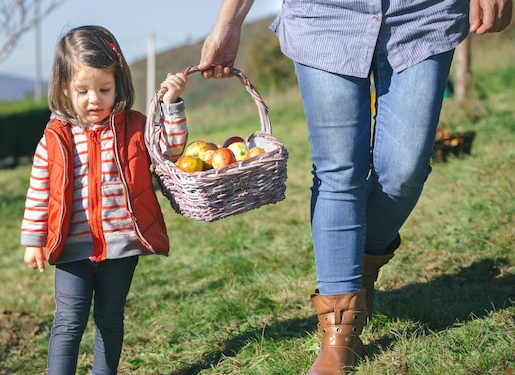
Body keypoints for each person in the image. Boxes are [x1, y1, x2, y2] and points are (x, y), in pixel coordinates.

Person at [198, 1, 512, 374]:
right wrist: (228, 21)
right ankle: (339, 334)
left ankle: (360, 262)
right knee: (338, 171)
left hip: (423, 11)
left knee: (405, 169)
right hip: (325, 14)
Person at [21, 25, 188, 375]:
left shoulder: (135, 127)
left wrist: (171, 106)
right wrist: (34, 240)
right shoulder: (54, 138)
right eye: (82, 90)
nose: (93, 99)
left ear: (118, 84)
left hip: (121, 246)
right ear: (64, 87)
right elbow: (39, 191)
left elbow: (169, 151)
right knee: (68, 322)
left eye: (104, 89)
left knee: (110, 319)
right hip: (71, 248)